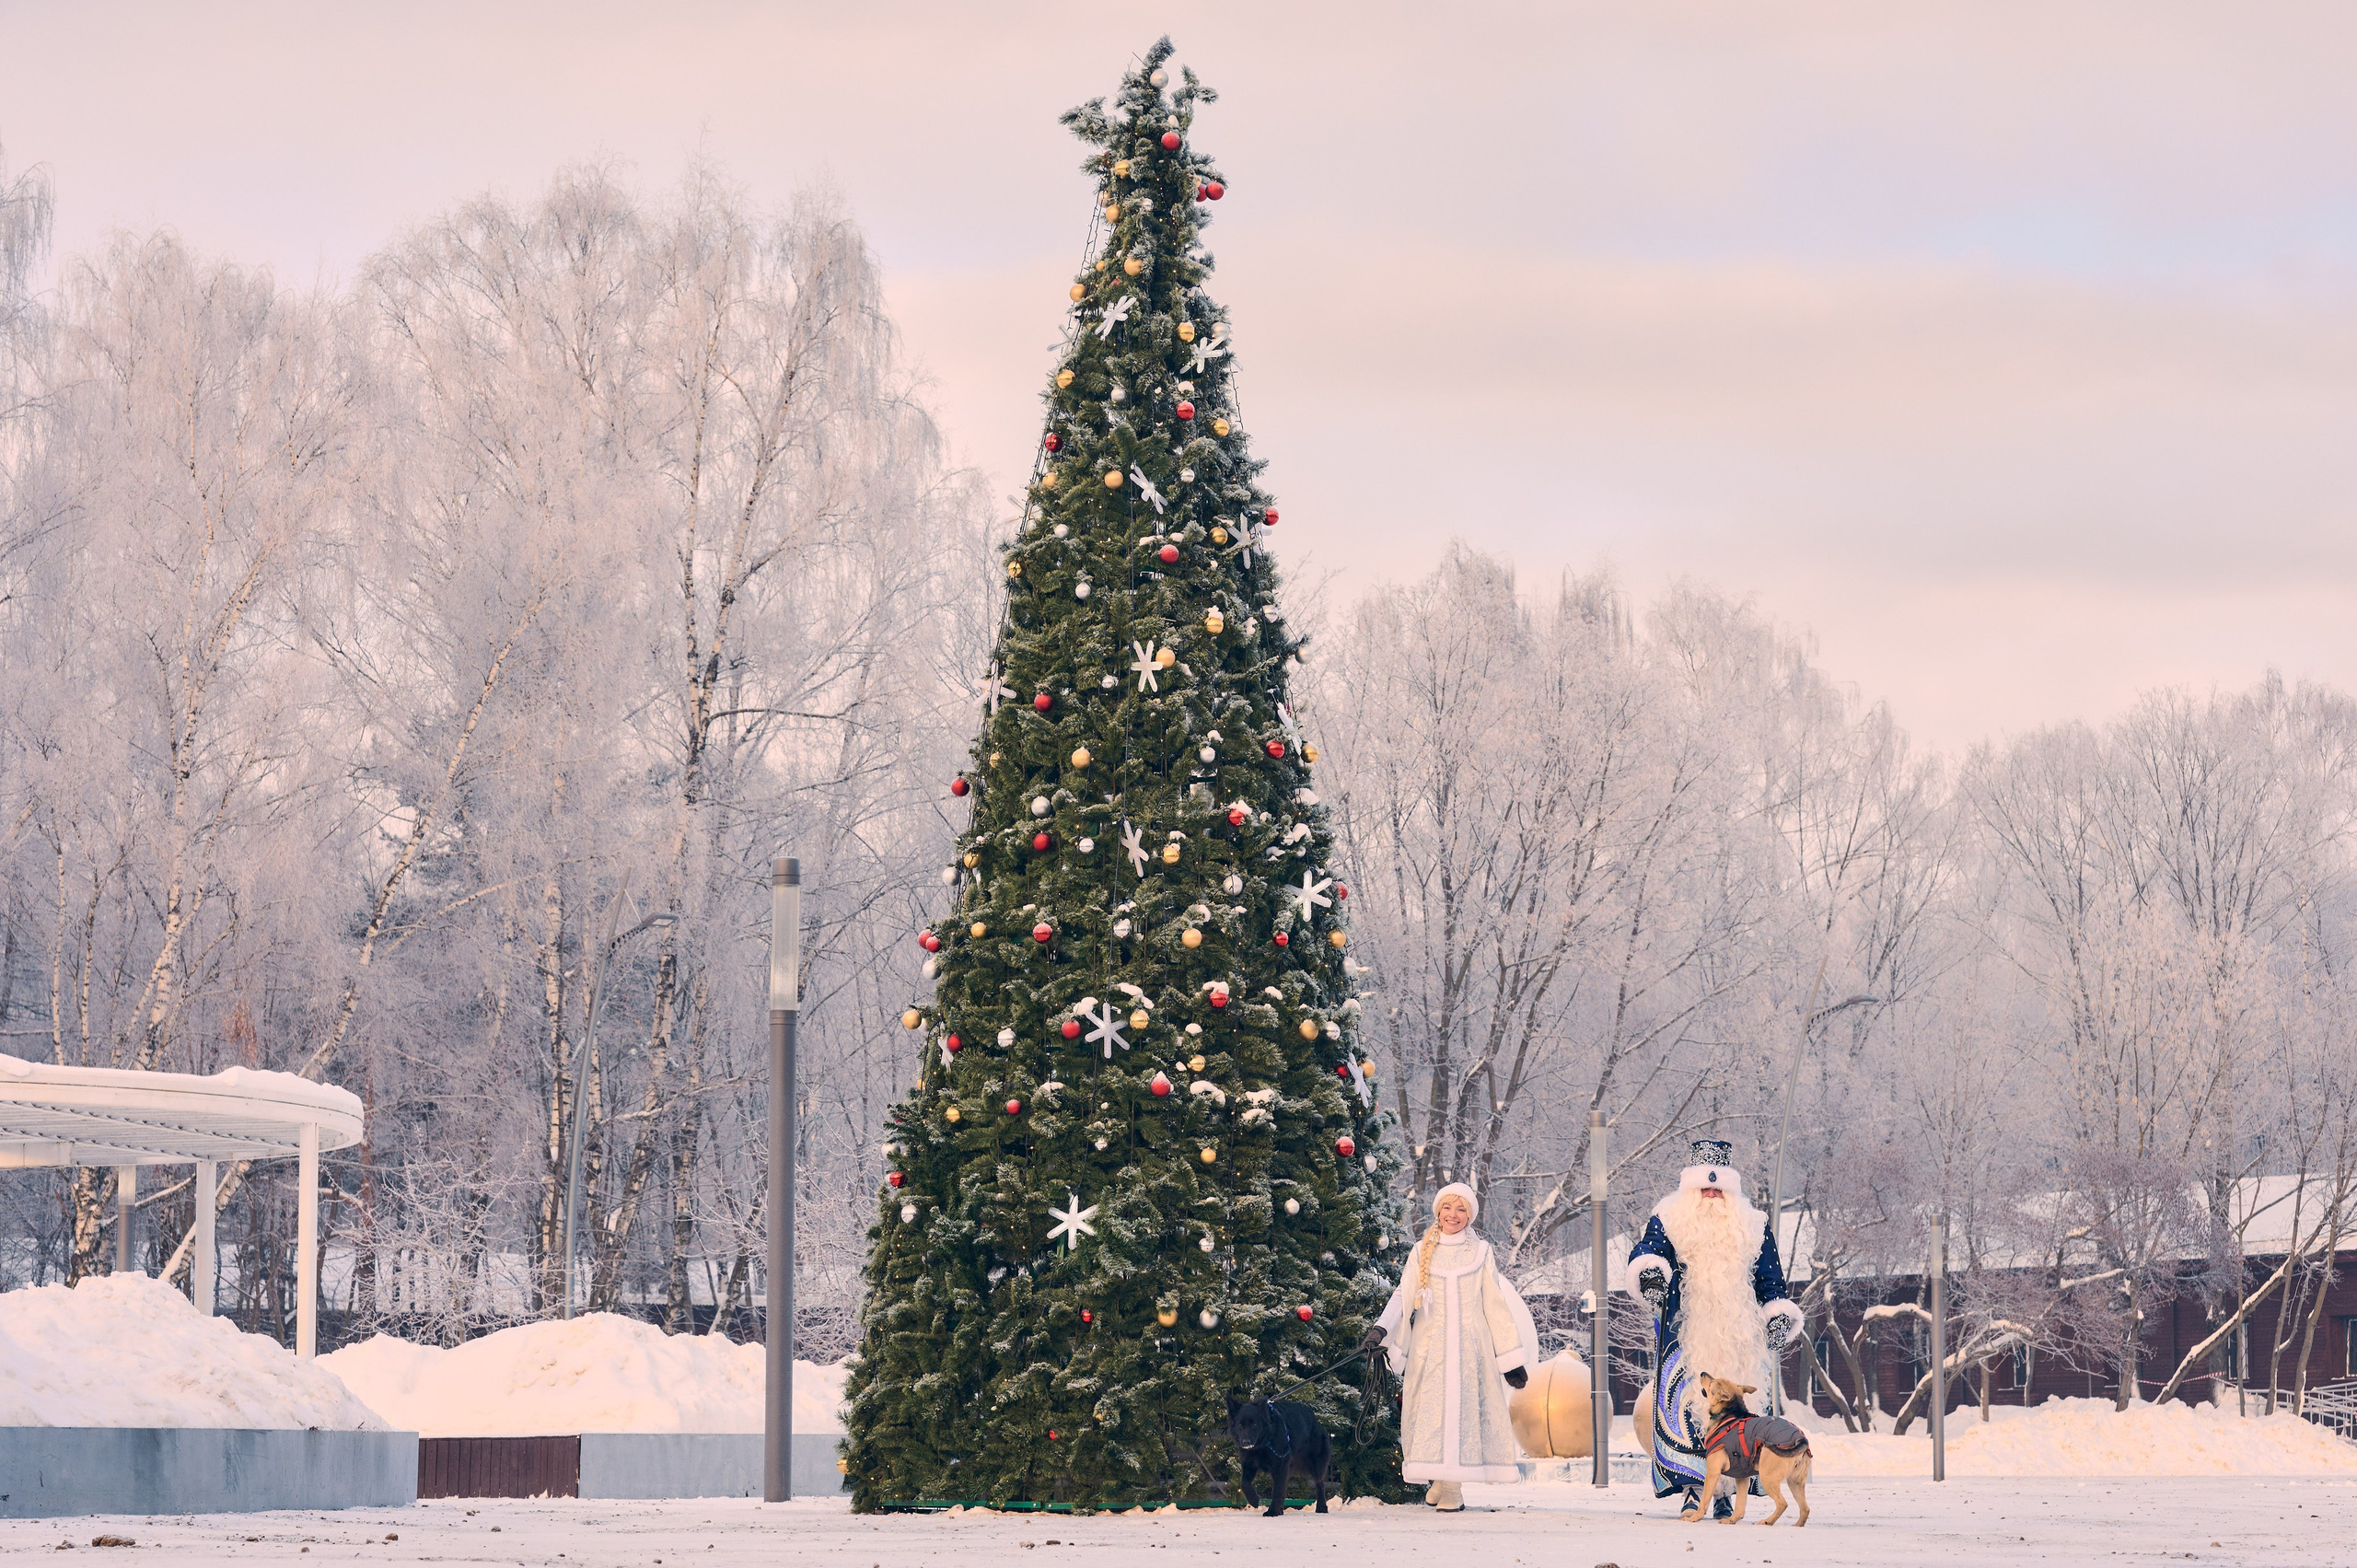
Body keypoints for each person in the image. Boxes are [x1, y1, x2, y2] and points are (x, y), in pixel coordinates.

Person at [1622, 1139, 1805, 1518]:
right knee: (1687, 1408)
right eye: (1704, 1187)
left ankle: (1725, 1493)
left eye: (1717, 1187)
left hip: (1740, 1335)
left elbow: (1772, 1282)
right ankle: (1694, 1487)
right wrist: (1651, 1272)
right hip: (1687, 1331)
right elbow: (1647, 1252)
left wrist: (1778, 1315)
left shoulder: (1754, 1225)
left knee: (1740, 1417)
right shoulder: (1670, 1218)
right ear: (1690, 1187)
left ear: (1729, 1189)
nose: (1711, 1193)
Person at [1361, 1182, 1539, 1511]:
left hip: (1471, 1352)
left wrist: (1510, 1359)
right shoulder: (1420, 1251)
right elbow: (1403, 1295)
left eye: (1461, 1210)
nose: (1453, 1215)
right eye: (1448, 1208)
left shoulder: (1481, 1252)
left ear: (1469, 1216)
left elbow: (1495, 1305)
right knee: (1433, 1417)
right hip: (1431, 1351)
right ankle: (1443, 1481)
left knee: (1463, 1415)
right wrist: (1380, 1329)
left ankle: (1452, 1488)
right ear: (1438, 1211)